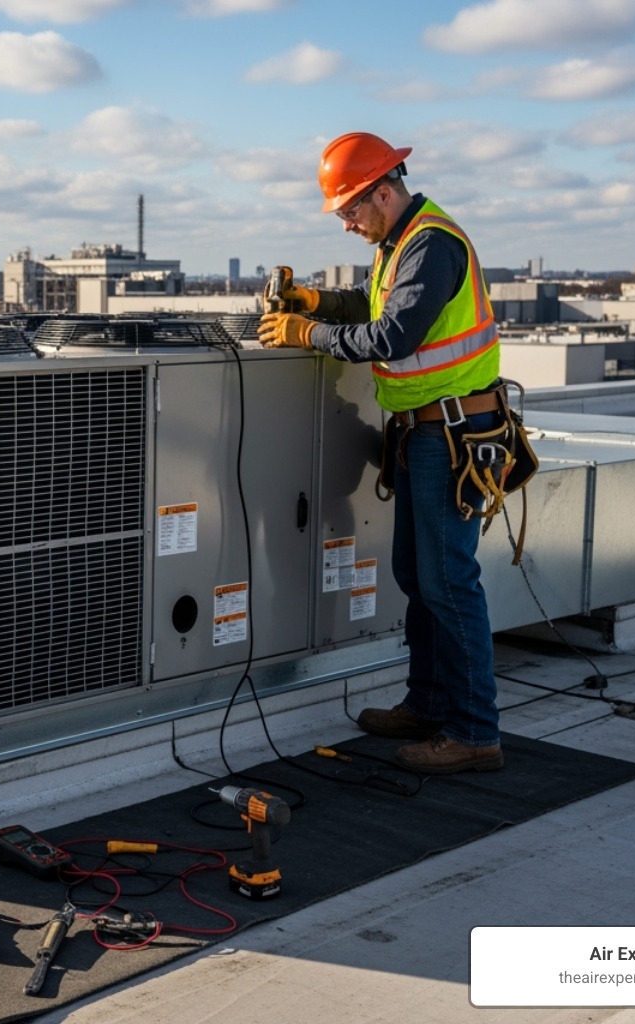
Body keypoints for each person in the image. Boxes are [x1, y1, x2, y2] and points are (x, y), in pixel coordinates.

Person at [258, 132, 505, 775]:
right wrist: (313, 302)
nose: (347, 225)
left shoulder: (432, 244)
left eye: (350, 211)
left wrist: (306, 332)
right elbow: (373, 306)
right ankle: (428, 704)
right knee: (419, 579)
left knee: (450, 582)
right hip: (426, 433)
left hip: (451, 434)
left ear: (384, 191)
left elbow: (393, 334)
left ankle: (475, 731)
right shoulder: (400, 241)